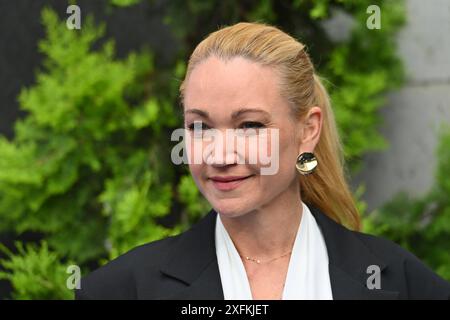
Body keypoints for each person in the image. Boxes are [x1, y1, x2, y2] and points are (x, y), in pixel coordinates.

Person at [76, 22, 450, 300]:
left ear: (308, 129)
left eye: (250, 125)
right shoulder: (119, 291)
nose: (219, 156)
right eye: (200, 126)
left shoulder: (403, 283)